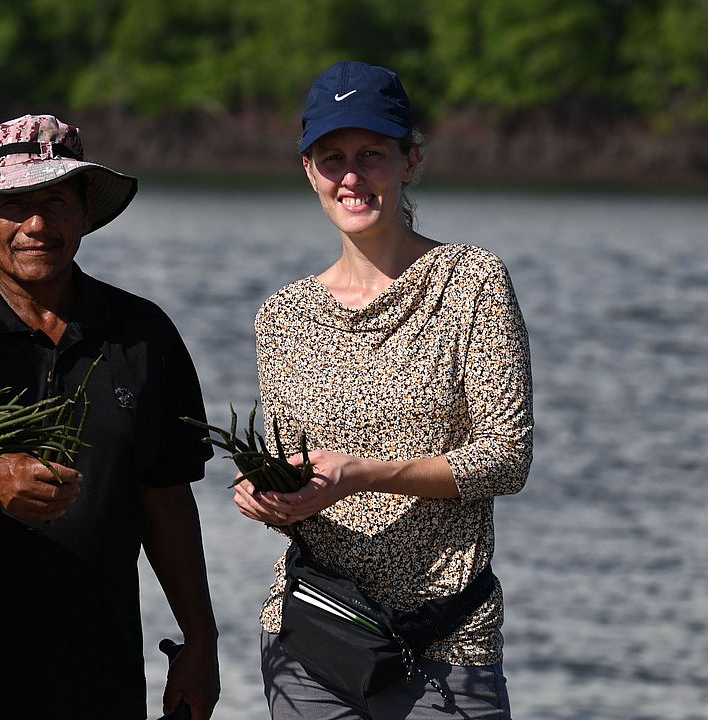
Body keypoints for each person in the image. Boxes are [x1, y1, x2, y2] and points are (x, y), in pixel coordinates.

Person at [0, 114, 221, 720]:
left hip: (96, 676)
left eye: (56, 201)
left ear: (86, 213)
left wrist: (201, 641)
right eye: (13, 204)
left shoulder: (142, 334)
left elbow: (166, 500)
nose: (37, 225)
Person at [235, 61, 533, 718]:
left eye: (372, 154)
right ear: (308, 171)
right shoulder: (283, 317)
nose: (352, 176)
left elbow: (507, 458)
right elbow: (297, 477)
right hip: (314, 634)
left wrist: (364, 474)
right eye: (332, 157)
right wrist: (265, 494)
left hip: (448, 639)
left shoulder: (471, 282)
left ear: (410, 161)